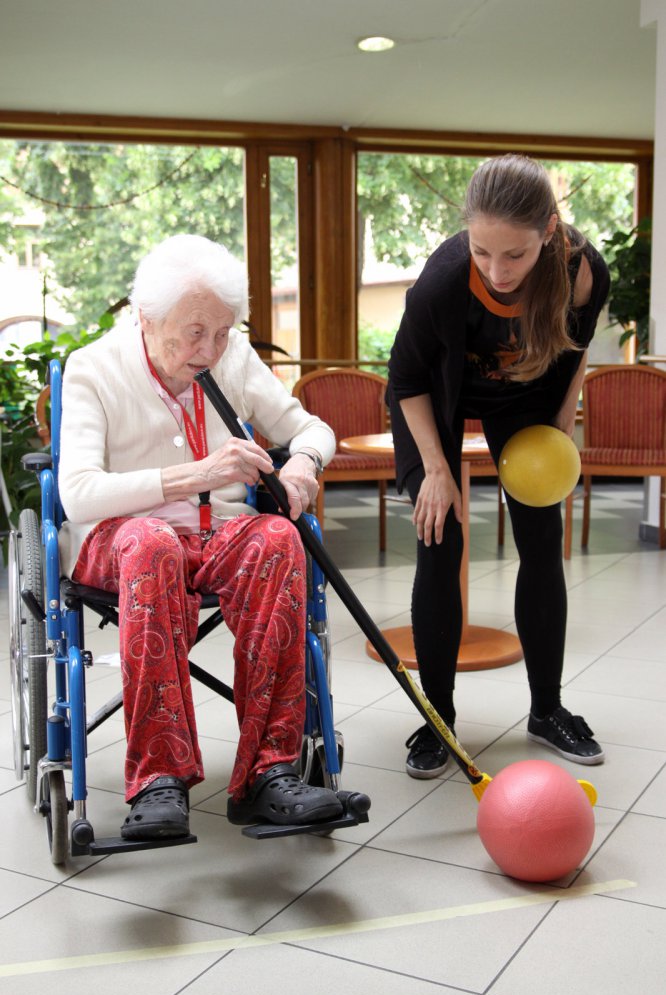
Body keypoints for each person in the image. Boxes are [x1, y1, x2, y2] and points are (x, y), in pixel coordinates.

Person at [58, 233, 343, 839]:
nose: (210, 349)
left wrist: (302, 463)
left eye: (222, 332)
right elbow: (77, 493)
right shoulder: (94, 367)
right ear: (146, 317)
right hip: (121, 541)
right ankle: (158, 779)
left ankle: (270, 773)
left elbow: (313, 428)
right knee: (152, 543)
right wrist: (197, 475)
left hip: (219, 536)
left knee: (276, 539)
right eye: (194, 333)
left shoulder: (231, 360)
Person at [387, 154, 610, 779]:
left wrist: (563, 425)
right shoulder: (444, 280)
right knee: (440, 537)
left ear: (549, 232)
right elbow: (405, 379)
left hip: (525, 394)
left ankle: (547, 710)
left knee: (541, 539)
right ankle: (438, 720)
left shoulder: (581, 272)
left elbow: (575, 350)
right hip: (435, 395)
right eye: (483, 251)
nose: (497, 270)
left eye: (515, 254)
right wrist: (437, 470)